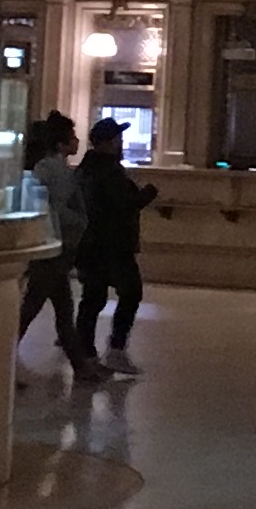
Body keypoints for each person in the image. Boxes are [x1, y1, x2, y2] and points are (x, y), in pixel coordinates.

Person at [15, 114, 97, 377]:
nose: (77, 141)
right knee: (40, 307)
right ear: (61, 144)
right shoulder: (56, 171)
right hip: (54, 247)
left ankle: (80, 366)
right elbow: (59, 210)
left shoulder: (47, 169)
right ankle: (80, 366)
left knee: (57, 308)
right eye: (72, 137)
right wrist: (79, 223)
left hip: (52, 246)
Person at [73, 117, 155, 370]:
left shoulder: (86, 169)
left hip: (91, 243)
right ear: (106, 142)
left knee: (93, 297)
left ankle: (86, 352)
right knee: (130, 293)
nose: (120, 142)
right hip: (113, 245)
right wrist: (147, 194)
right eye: (117, 138)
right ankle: (115, 349)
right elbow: (123, 205)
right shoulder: (109, 171)